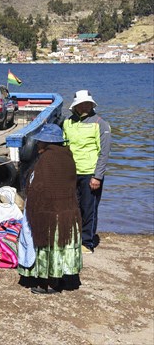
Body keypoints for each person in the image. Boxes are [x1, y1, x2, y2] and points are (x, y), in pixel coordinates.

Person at [17, 124, 82, 294]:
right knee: (61, 246)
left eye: (40, 142)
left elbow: (39, 187)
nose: (37, 145)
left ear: (46, 143)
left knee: (49, 247)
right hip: (67, 211)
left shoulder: (47, 160)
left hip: (50, 214)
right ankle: (60, 277)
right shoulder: (67, 156)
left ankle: (49, 283)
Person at [63, 90, 111, 254]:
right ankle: (73, 238)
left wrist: (97, 176)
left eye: (88, 103)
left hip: (90, 173)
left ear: (91, 104)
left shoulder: (100, 124)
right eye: (82, 103)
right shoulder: (67, 123)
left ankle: (87, 242)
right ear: (75, 106)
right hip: (70, 172)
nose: (85, 106)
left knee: (88, 208)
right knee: (71, 207)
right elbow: (64, 147)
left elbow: (104, 153)